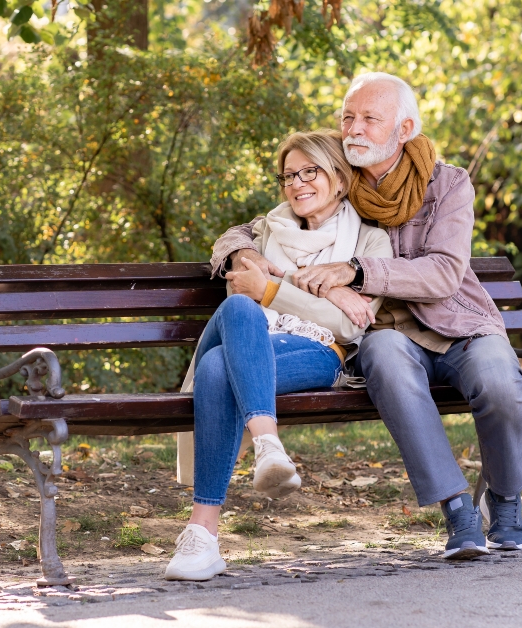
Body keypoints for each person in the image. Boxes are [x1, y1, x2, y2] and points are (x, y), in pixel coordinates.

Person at [210, 72, 522, 560]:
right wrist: (239, 255)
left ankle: (506, 502)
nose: (353, 129)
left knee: (501, 385)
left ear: (403, 130)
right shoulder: (339, 175)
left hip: (457, 323)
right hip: (381, 332)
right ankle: (458, 510)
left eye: (369, 119)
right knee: (388, 364)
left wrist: (356, 272)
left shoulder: (447, 183)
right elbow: (253, 226)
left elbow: (444, 273)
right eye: (347, 117)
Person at [165, 131, 393, 581]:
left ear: (341, 179)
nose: (298, 182)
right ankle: (268, 446)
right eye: (289, 175)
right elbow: (235, 276)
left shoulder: (370, 244)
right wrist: (306, 293)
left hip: (319, 353)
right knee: (237, 307)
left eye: (311, 171)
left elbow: (349, 326)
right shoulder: (263, 230)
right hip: (246, 335)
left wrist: (271, 289)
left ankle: (202, 535)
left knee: (216, 368)